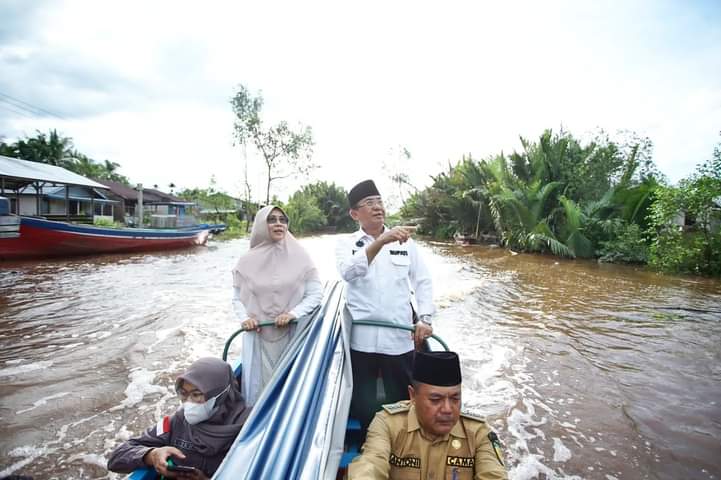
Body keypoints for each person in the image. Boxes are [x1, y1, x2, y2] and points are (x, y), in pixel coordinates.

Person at [336, 179, 434, 441]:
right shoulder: (347, 244)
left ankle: (401, 448)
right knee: (365, 405)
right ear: (355, 214)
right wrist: (381, 242)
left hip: (398, 340)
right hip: (362, 342)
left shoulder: (407, 243)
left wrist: (424, 318)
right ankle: (372, 450)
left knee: (401, 400)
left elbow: (423, 282)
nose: (377, 207)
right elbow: (348, 272)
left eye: (379, 201)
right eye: (369, 203)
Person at [348, 351, 508, 480]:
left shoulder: (478, 433)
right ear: (413, 396)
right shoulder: (388, 424)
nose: (447, 409)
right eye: (435, 399)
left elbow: (493, 474)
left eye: (455, 398)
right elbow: (370, 465)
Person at [232, 204, 323, 405]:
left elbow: (316, 294)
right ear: (261, 225)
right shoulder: (246, 261)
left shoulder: (301, 256)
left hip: (292, 334)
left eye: (282, 220)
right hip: (257, 336)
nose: (278, 224)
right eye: (271, 220)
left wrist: (293, 314)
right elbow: (237, 298)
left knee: (290, 391)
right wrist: (245, 319)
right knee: (258, 392)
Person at [107, 357, 251, 479]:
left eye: (196, 395)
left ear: (221, 395)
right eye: (183, 394)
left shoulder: (251, 427)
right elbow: (116, 458)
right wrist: (152, 455)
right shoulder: (177, 422)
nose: (188, 403)